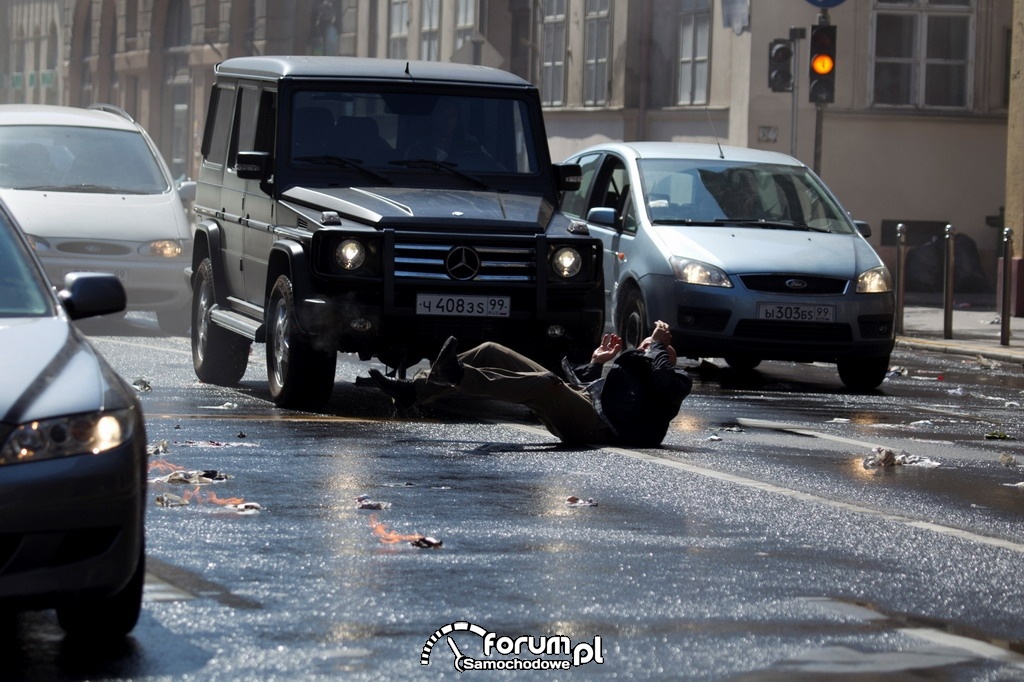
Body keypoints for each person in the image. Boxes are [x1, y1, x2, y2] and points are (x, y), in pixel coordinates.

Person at [367, 320, 692, 447]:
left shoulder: (674, 381)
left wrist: (659, 345)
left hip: (597, 427)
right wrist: (597, 362)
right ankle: (414, 391)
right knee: (491, 351)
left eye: (654, 349)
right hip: (584, 407)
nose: (646, 348)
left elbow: (663, 377)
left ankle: (460, 376)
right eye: (649, 346)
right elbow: (581, 386)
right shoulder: (636, 371)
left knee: (543, 384)